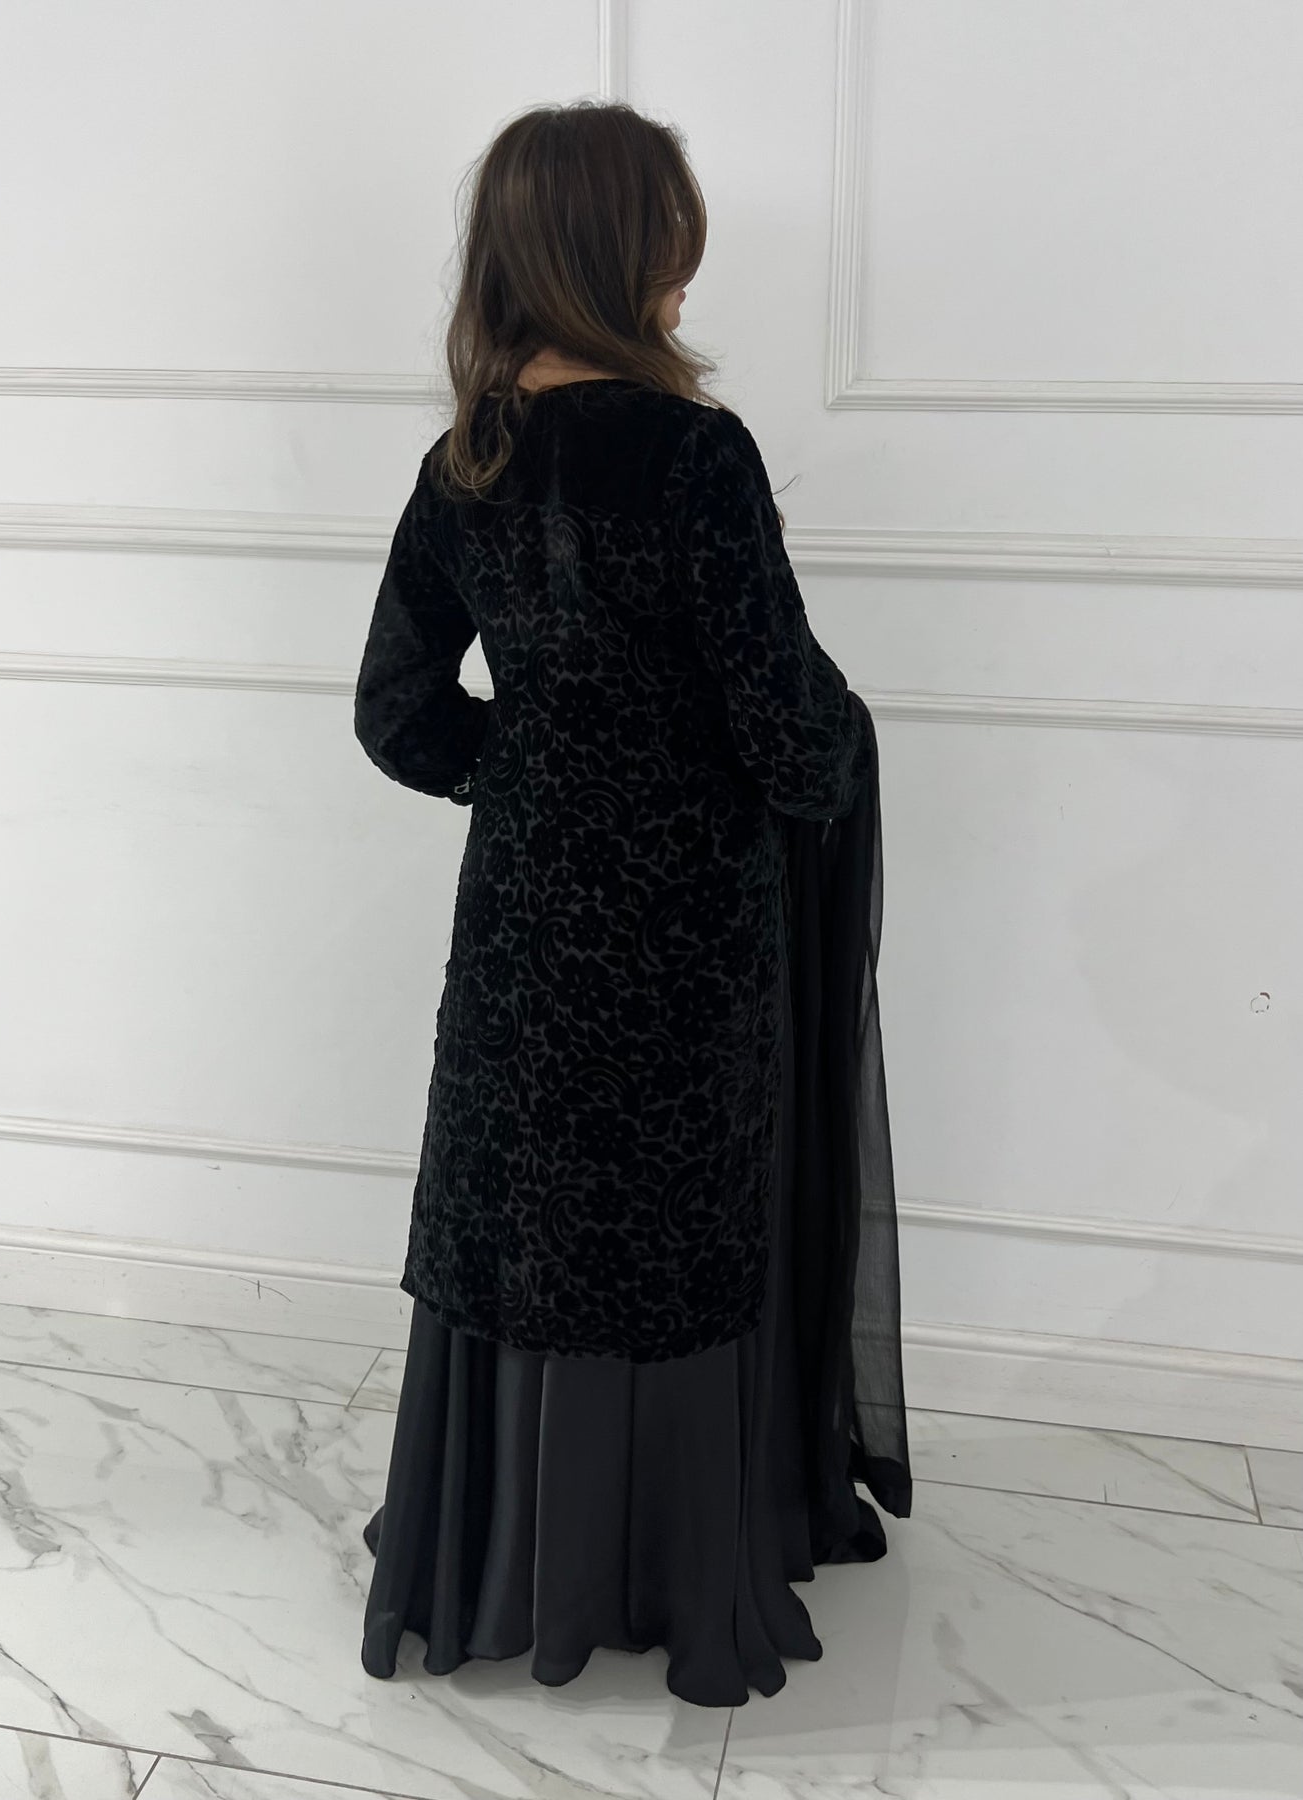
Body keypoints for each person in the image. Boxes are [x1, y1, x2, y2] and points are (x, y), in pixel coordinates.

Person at [354, 98, 910, 1709]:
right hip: (681, 924)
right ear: (617, 250)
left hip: (524, 917)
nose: (685, 271)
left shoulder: (464, 458)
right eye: (670, 240)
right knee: (667, 1223)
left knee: (524, 1208)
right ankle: (666, 1558)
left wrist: (537, 770)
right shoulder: (691, 453)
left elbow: (398, 715)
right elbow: (783, 728)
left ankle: (497, 1553)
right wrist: (829, 753)